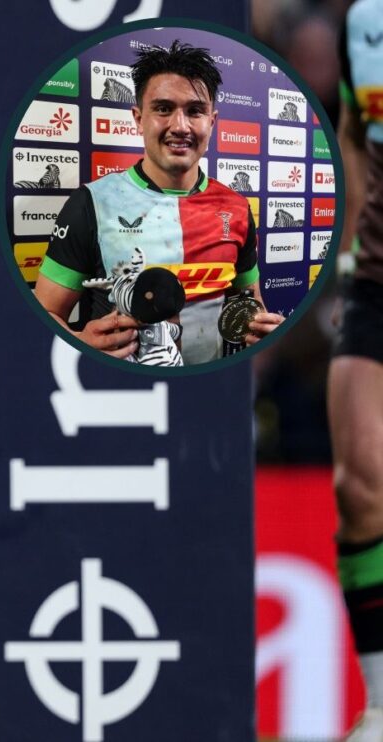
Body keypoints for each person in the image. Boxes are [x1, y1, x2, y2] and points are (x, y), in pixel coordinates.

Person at [32, 40, 284, 365]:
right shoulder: (90, 203)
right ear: (138, 119)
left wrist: (261, 331)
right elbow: (45, 312)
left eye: (195, 111)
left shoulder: (236, 207)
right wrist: (79, 343)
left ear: (212, 122)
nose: (180, 126)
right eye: (163, 109)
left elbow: (250, 304)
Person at [334, 3, 383, 739]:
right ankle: (380, 705)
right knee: (360, 486)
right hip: (376, 282)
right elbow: (351, 130)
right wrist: (346, 241)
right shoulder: (363, 20)